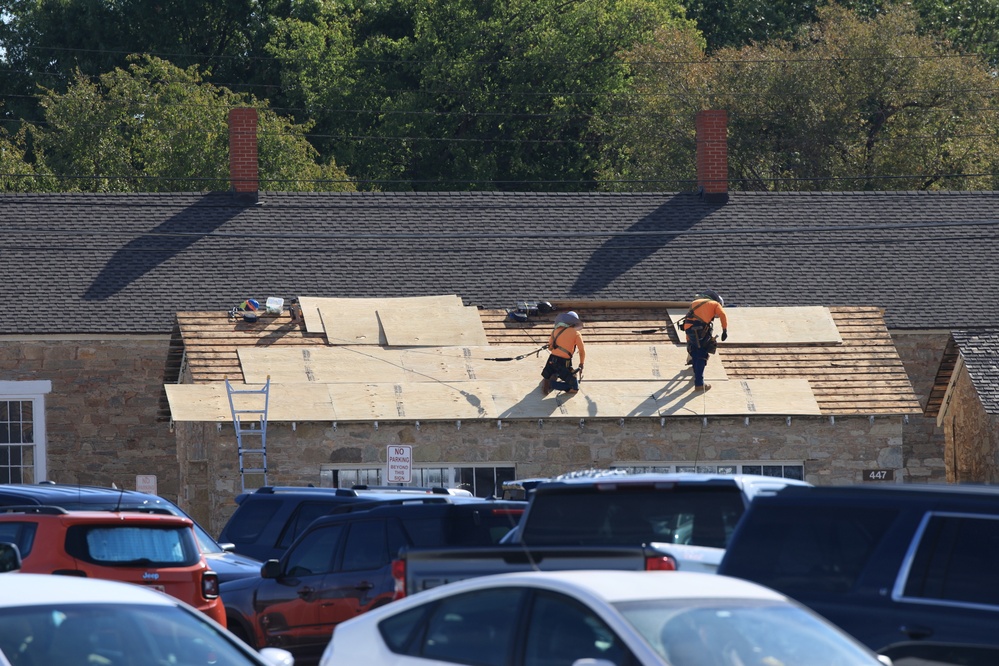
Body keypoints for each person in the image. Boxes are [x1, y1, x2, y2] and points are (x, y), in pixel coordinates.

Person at [682, 290, 727, 392]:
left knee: (695, 350)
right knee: (702, 354)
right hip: (699, 330)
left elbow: (688, 322)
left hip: (690, 330)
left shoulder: (694, 303)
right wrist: (725, 330)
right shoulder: (715, 304)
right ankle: (699, 384)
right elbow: (722, 315)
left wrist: (689, 343)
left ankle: (695, 368)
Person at [541, 311, 585, 395]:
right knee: (574, 388)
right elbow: (582, 350)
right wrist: (581, 364)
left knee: (552, 371)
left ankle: (548, 379)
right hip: (564, 362)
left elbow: (550, 347)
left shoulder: (555, 331)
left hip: (552, 359)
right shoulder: (576, 333)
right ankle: (552, 384)